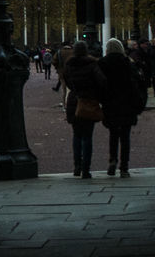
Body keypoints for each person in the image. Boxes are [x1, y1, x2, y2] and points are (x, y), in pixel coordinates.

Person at [98, 38, 145, 177]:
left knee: (113, 134)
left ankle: (112, 160)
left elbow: (100, 83)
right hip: (127, 103)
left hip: (110, 103)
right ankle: (124, 167)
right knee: (125, 137)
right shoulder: (127, 63)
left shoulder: (103, 63)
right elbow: (137, 82)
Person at [62, 40, 107, 178]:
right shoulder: (92, 64)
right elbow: (102, 82)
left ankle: (77, 166)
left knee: (76, 135)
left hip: (73, 101)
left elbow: (67, 80)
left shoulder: (69, 65)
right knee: (87, 136)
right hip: (88, 101)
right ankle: (86, 169)